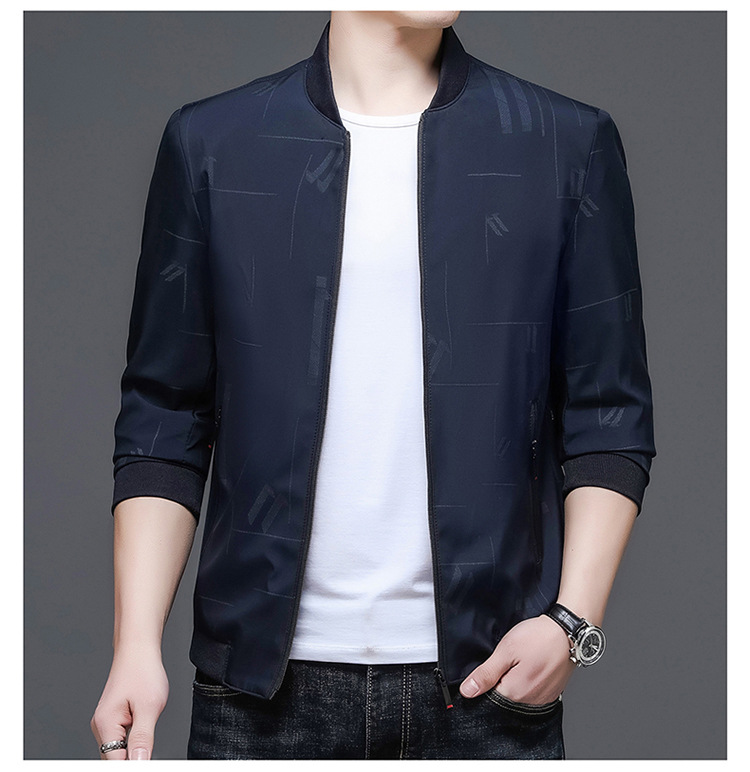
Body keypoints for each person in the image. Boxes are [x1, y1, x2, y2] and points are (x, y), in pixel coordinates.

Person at [90, 10, 656, 761]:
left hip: (488, 687)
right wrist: (135, 645)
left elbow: (608, 413)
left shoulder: (564, 143)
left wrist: (571, 621)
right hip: (255, 697)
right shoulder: (214, 141)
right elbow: (165, 415)